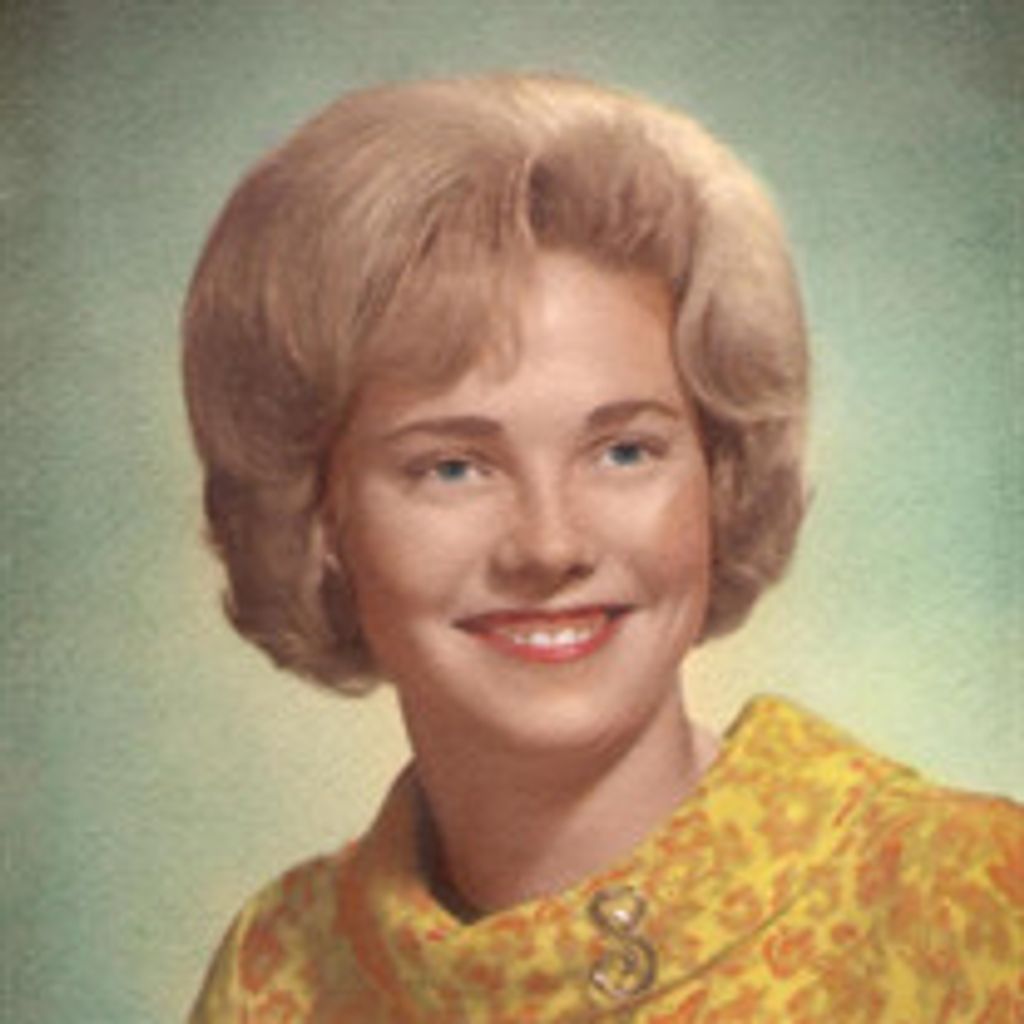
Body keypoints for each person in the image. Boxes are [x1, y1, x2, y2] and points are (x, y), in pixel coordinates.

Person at [184, 74, 1022, 1023]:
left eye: (624, 451)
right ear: (319, 517)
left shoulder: (972, 906)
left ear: (719, 477)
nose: (550, 544)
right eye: (453, 467)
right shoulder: (276, 977)